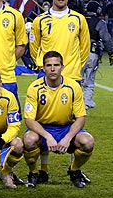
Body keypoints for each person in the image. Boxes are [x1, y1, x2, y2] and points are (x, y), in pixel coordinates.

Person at [23, 51, 94, 188]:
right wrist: (47, 135)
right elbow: (29, 119)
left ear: (62, 67)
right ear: (43, 68)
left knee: (88, 142)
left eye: (56, 65)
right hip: (42, 128)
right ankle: (35, 173)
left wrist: (68, 138)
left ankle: (74, 170)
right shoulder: (34, 88)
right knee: (29, 140)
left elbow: (80, 118)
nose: (53, 68)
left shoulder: (73, 87)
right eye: (49, 65)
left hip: (66, 127)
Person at [29, 0, 90, 82]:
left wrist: (75, 66)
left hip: (71, 75)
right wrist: (43, 66)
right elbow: (34, 48)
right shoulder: (39, 20)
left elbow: (85, 47)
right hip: (46, 76)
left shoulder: (79, 19)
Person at [81, 0, 113, 110]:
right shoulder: (100, 23)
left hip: (78, 54)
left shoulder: (80, 20)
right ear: (98, 10)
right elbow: (106, 39)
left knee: (76, 79)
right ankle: (86, 102)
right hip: (92, 54)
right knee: (89, 81)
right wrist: (111, 52)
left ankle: (72, 101)